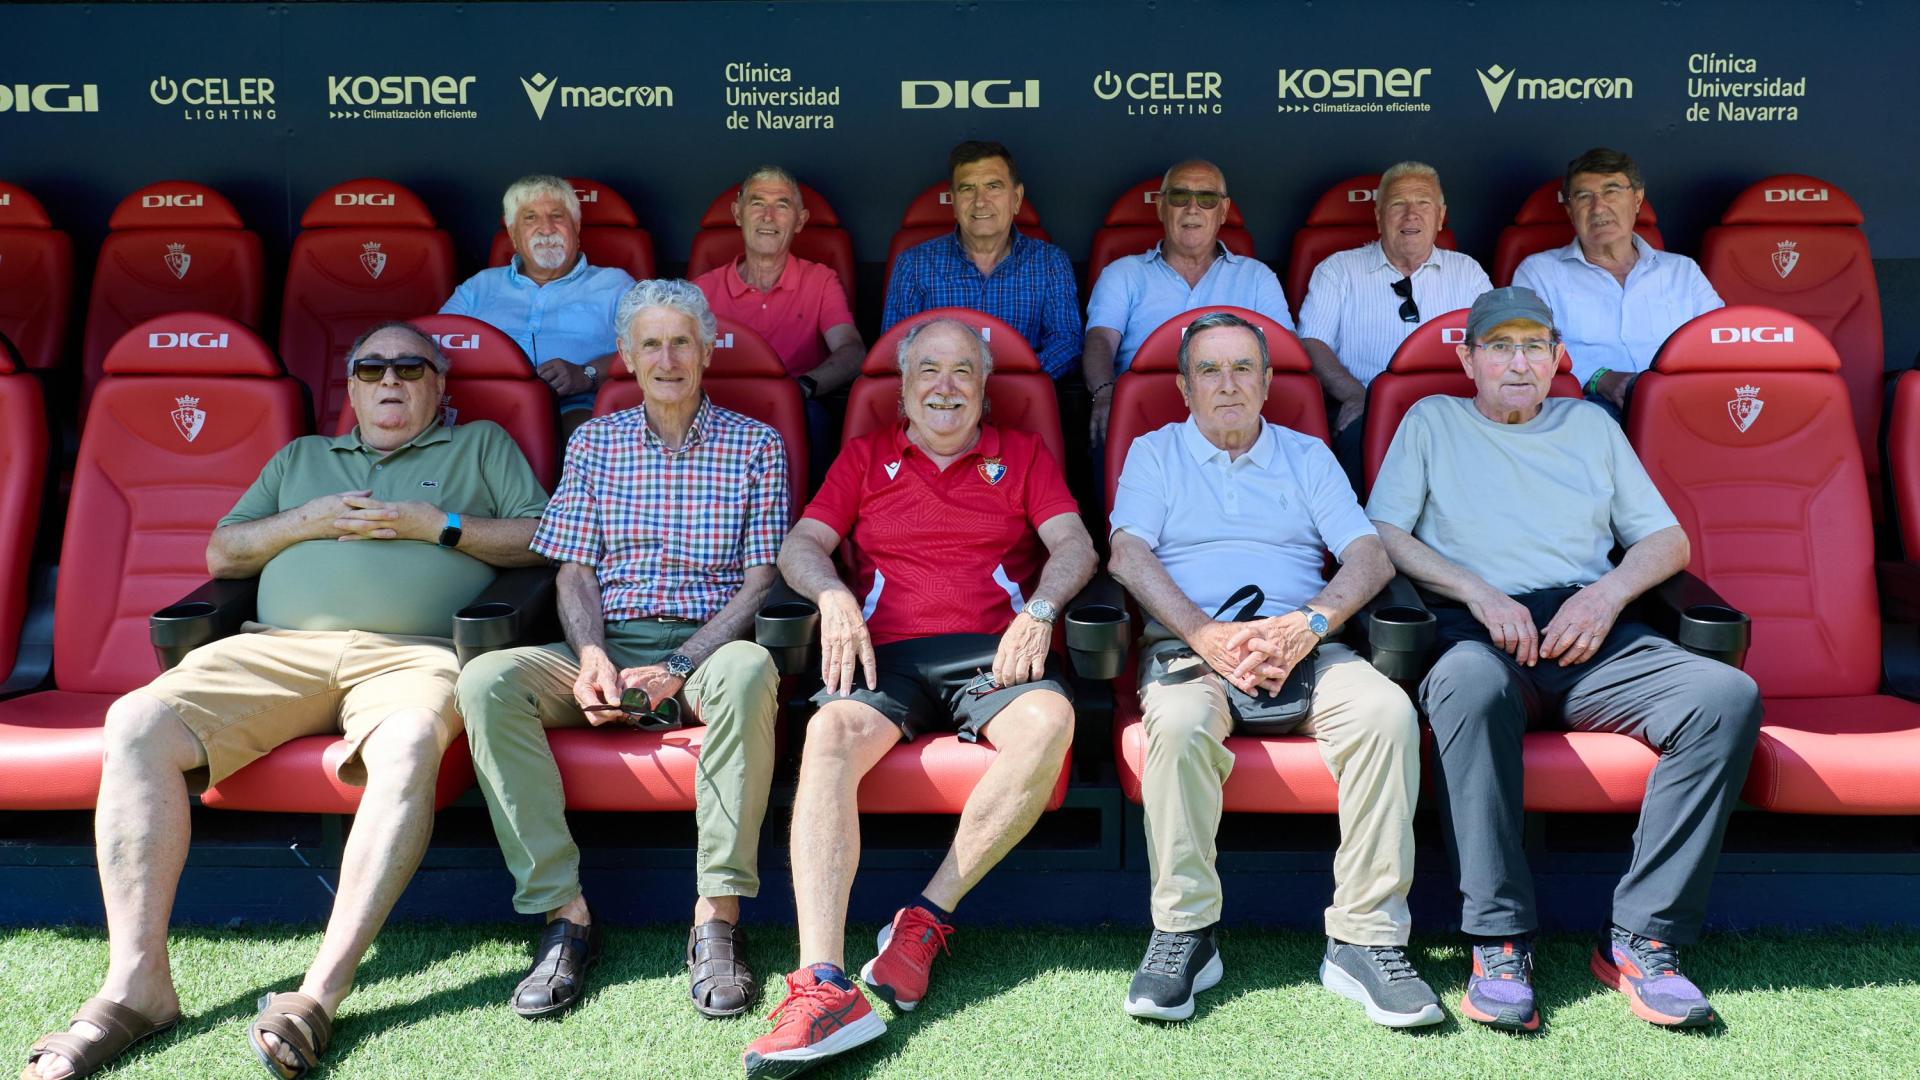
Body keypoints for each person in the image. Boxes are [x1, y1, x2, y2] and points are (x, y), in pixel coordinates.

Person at [23, 322, 548, 1080]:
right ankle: (136, 985)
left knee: (404, 747)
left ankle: (318, 995)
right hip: (274, 649)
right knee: (135, 720)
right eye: (372, 369)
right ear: (353, 386)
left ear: (441, 386)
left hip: (415, 655)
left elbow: (543, 539)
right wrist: (310, 520)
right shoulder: (303, 458)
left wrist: (440, 528)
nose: (390, 380)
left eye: (410, 367)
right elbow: (222, 552)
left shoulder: (483, 447)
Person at [1366, 286, 1762, 1032]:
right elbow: (1384, 533)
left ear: (1556, 359)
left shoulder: (1590, 425)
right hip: (1480, 633)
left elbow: (1665, 542)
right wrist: (1478, 594)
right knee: (1464, 686)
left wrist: (1605, 597)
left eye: (1534, 347)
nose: (1518, 363)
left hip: (1591, 636)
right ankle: (1499, 941)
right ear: (1468, 357)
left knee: (1724, 697)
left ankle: (1645, 941)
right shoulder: (1433, 421)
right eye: (1500, 347)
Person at [743, 318, 1096, 1078]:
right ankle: (824, 983)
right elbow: (800, 544)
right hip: (887, 652)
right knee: (830, 730)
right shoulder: (866, 455)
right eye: (928, 371)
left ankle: (926, 918)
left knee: (1052, 719)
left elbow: (1076, 545)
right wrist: (833, 594)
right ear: (901, 390)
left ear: (984, 388)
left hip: (991, 655)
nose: (945, 386)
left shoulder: (1024, 454)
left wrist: (1039, 611)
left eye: (963, 372)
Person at [456, 280, 788, 1021]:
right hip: (607, 640)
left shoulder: (757, 444)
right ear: (626, 360)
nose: (667, 358)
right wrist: (594, 654)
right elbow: (572, 566)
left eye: (681, 342)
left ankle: (716, 919)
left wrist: (677, 668)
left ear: (705, 352)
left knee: (751, 670)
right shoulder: (594, 442)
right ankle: (563, 915)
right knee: (485, 680)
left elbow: (761, 583)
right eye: (650, 344)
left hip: (707, 652)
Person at [1106, 311, 1437, 1028]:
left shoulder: (1307, 454)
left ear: (1267, 382)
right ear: (1184, 387)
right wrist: (1205, 634)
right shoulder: (1154, 451)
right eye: (1209, 371)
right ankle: (1185, 932)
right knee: (1181, 721)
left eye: (1242, 369)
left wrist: (1308, 623)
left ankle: (1365, 939)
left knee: (1386, 714)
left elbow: (1369, 556)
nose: (1227, 385)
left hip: (1303, 642)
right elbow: (1127, 554)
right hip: (1191, 646)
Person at [1298, 162, 1492, 486]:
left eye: (1423, 203)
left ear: (1441, 216)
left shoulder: (1468, 273)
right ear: (1378, 216)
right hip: (1367, 410)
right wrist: (1356, 396)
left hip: (1453, 409)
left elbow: (1494, 344)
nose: (1410, 215)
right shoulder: (1338, 270)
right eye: (1398, 204)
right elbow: (1312, 343)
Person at [1083, 160, 1294, 444]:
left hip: (1233, 416)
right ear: (1161, 206)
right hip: (1143, 417)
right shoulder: (1123, 273)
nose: (1192, 208)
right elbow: (1100, 342)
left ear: (1224, 211)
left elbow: (1288, 353)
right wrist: (1105, 393)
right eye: (1179, 197)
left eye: (1207, 198)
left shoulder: (1256, 276)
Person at [1513, 148, 1723, 421]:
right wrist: (1601, 378)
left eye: (1611, 191)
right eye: (1584, 196)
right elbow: (1526, 350)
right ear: (1569, 210)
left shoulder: (1682, 271)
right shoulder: (1539, 272)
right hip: (1582, 410)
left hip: (1681, 408)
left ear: (1637, 199)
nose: (1599, 207)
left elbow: (1720, 344)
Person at [693, 165, 866, 483]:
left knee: (814, 420)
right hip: (717, 409)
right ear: (737, 213)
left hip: (796, 407)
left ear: (800, 221)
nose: (768, 216)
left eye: (782, 205)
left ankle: (807, 525)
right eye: (757, 203)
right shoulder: (702, 289)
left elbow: (852, 350)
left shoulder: (820, 280)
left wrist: (803, 387)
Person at [441, 174, 637, 439]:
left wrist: (586, 373)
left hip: (574, 409)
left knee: (586, 433)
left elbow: (652, 349)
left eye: (557, 216)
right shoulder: (479, 286)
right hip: (481, 406)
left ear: (576, 226)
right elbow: (433, 345)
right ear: (513, 233)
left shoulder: (616, 284)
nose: (546, 228)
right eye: (530, 218)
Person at [882, 140, 1081, 381]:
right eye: (967, 189)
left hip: (1024, 403)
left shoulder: (1050, 262)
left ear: (1016, 198)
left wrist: (1017, 384)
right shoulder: (913, 264)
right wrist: (952, 385)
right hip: (939, 403)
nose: (979, 201)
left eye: (993, 187)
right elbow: (895, 350)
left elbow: (1067, 344)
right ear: (953, 203)